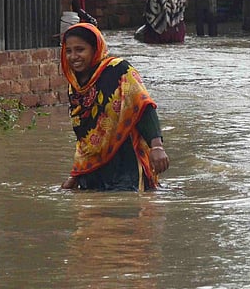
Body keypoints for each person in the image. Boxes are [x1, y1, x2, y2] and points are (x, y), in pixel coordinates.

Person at [60, 23, 169, 191]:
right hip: (94, 170)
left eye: (80, 50)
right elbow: (84, 137)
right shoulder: (75, 85)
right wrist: (76, 175)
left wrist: (157, 147)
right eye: (69, 51)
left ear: (95, 49)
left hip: (126, 162)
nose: (73, 56)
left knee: (128, 208)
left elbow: (143, 107)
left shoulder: (118, 70)